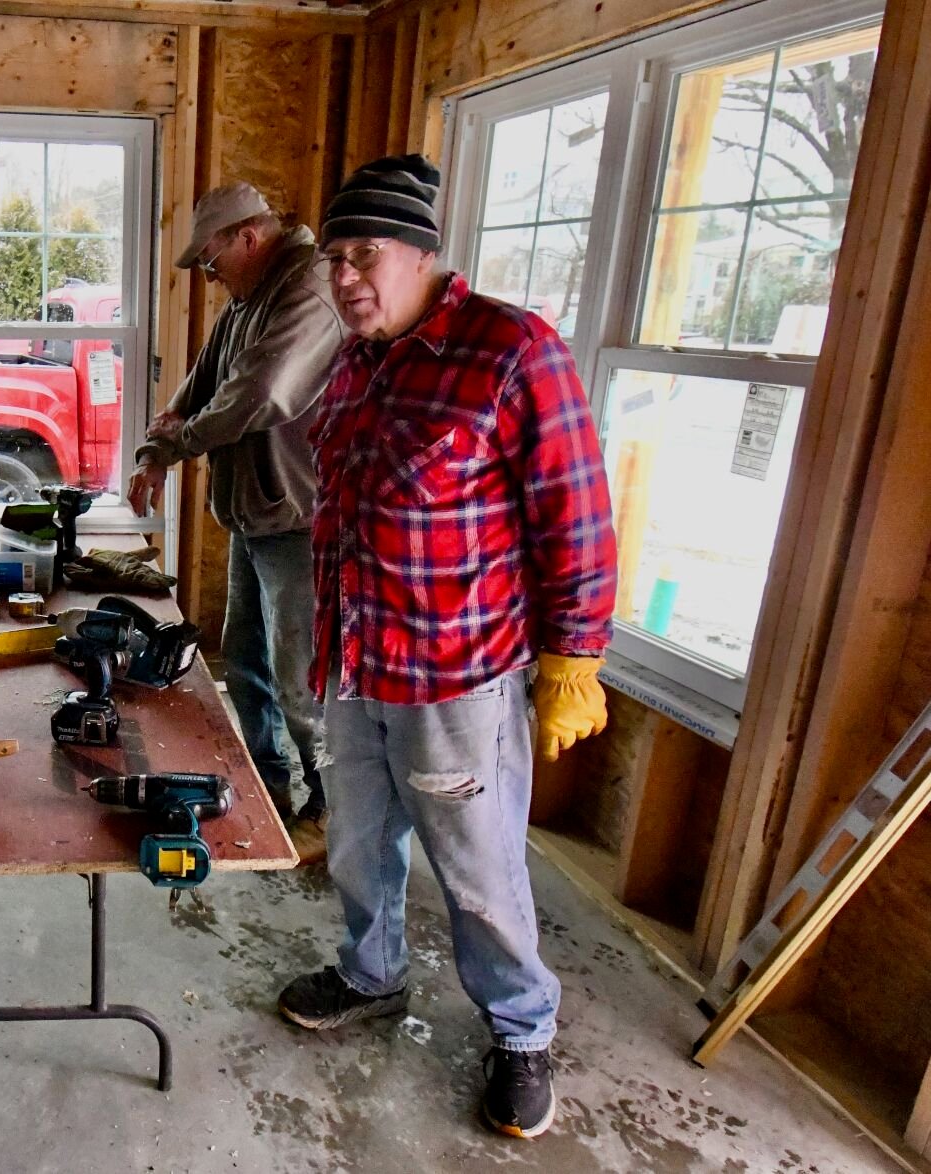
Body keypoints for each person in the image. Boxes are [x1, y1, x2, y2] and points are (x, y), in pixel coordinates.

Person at [275, 155, 617, 1140]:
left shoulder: (513, 352)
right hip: (353, 663)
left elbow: (577, 518)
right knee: (356, 842)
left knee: (478, 866)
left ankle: (520, 1026)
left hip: (456, 681)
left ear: (423, 252)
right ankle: (371, 972)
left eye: (363, 254)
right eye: (334, 258)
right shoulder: (361, 358)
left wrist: (574, 658)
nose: (344, 276)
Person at [127, 182, 344, 862]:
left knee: (300, 679)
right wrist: (158, 450)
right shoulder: (248, 300)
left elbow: (259, 393)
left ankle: (332, 808)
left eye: (213, 259)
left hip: (301, 524)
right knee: (244, 660)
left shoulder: (308, 291)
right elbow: (202, 381)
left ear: (250, 237)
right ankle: (266, 787)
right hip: (256, 517)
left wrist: (183, 439)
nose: (210, 275)